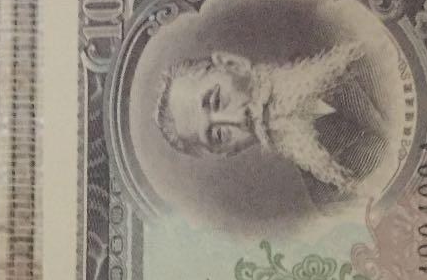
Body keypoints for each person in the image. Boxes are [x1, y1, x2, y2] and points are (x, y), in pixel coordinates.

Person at [154, 39, 394, 211]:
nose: (238, 120)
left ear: (233, 64)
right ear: (228, 151)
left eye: (217, 101)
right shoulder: (329, 196)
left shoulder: (360, 47)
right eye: (218, 135)